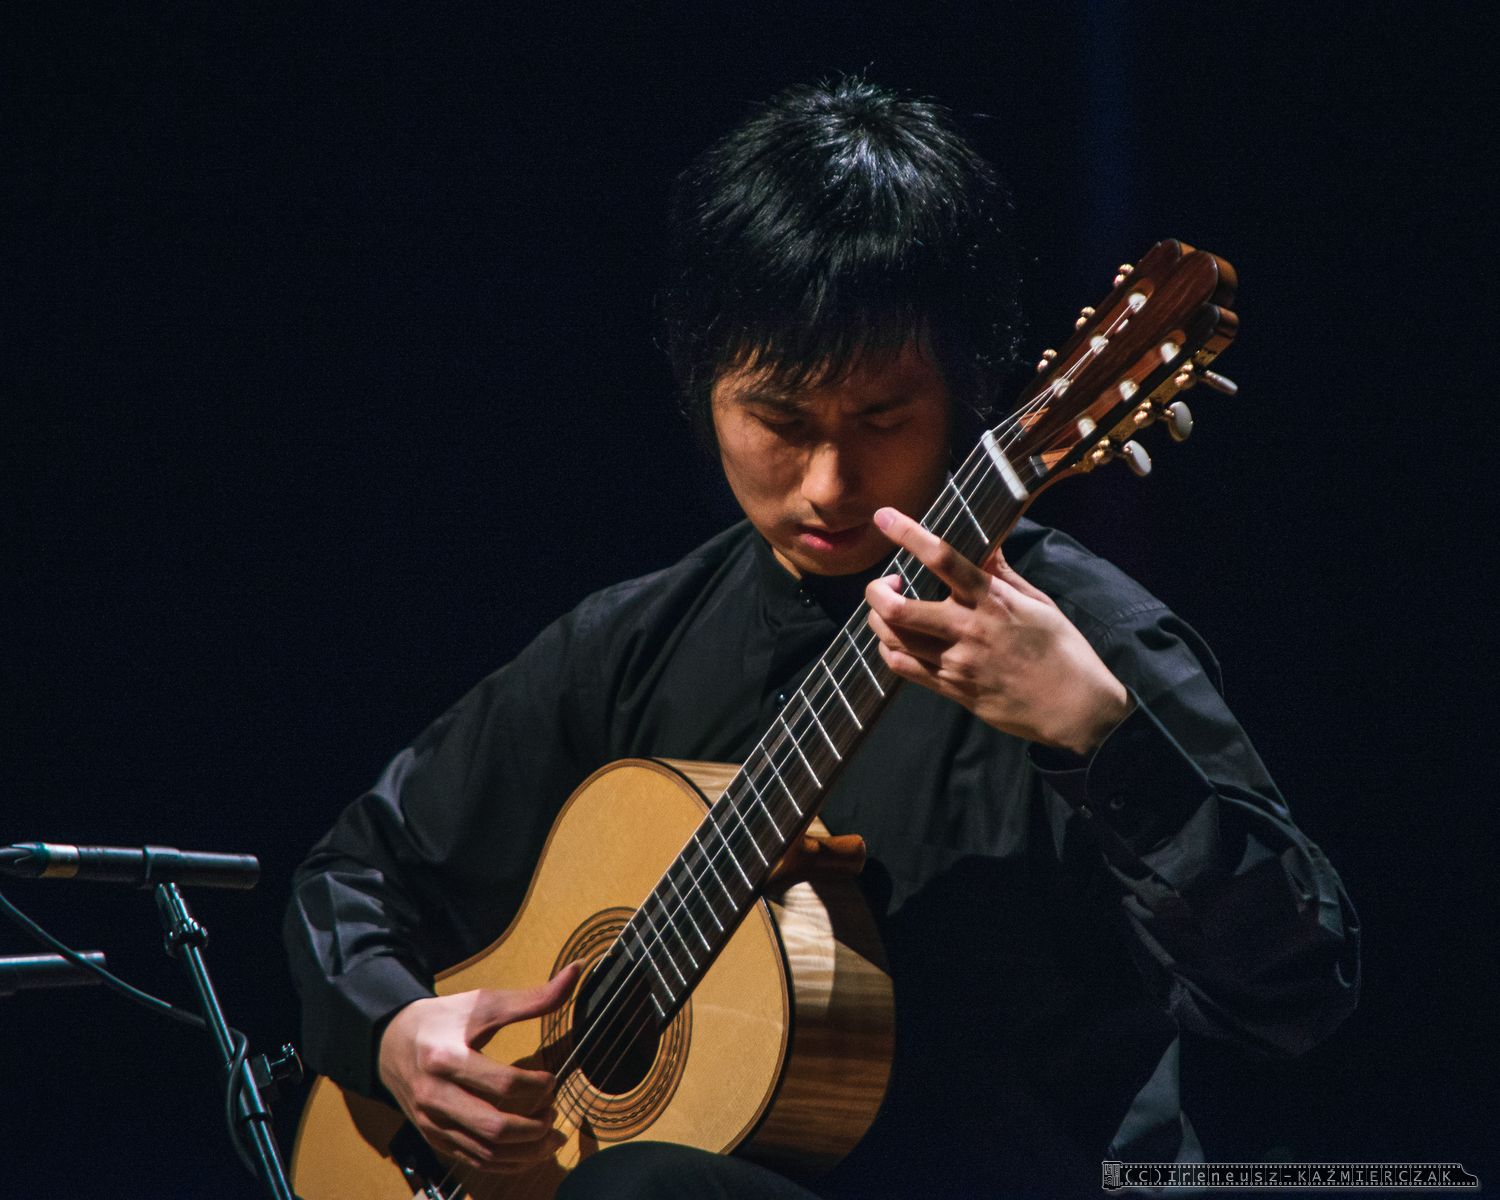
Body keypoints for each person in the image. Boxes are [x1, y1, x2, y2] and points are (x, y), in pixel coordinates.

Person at [284, 78, 1359, 1198]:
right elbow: (355, 873)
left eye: (883, 419)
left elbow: (1296, 996)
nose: (829, 485)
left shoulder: (1090, 646)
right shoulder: (632, 644)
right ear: (702, 390)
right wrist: (395, 1030)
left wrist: (1099, 736)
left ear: (968, 394)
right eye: (779, 421)